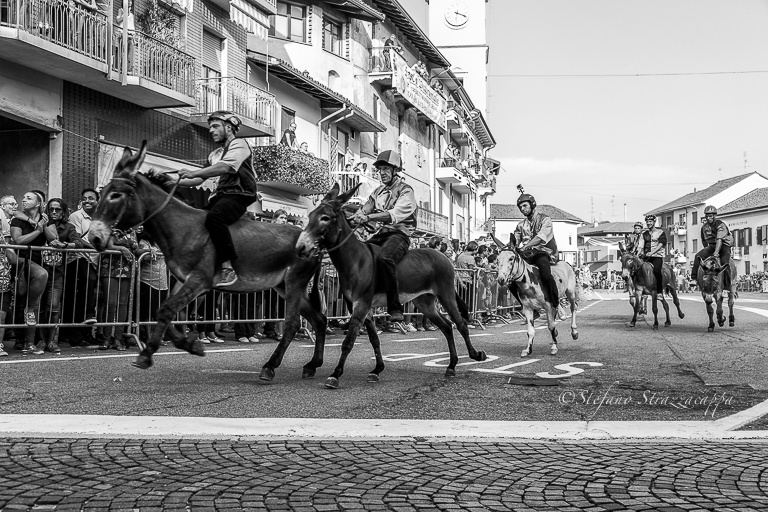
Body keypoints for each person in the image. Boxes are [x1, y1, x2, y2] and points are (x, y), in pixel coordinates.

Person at [170, 111, 258, 287]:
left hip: (238, 196)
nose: (211, 130)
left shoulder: (240, 144)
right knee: (194, 220)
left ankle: (228, 267)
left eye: (215, 126)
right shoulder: (215, 154)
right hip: (220, 197)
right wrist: (171, 181)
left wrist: (193, 172)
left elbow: (224, 168)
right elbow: (199, 179)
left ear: (229, 127)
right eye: (210, 127)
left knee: (214, 217)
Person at [351, 150, 417, 324]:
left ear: (395, 170)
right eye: (380, 170)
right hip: (381, 234)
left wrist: (369, 217)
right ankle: (359, 307)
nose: (382, 173)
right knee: (359, 256)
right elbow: (364, 210)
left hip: (400, 234)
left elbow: (394, 215)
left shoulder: (406, 190)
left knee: (385, 258)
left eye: (386, 169)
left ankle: (395, 308)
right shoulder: (377, 192)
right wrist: (353, 217)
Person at [40, 198, 82, 354]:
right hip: (38, 271)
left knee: (53, 307)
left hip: (57, 273)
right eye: (51, 209)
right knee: (38, 308)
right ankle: (38, 340)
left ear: (64, 211)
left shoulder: (68, 227)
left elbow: (79, 243)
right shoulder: (41, 224)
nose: (54, 212)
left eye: (57, 209)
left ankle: (51, 340)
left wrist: (64, 245)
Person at [512, 188, 561, 314]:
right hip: (528, 254)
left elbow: (541, 237)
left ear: (532, 205)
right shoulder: (520, 225)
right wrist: (510, 247)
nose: (522, 209)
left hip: (544, 252)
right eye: (520, 207)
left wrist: (525, 246)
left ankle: (556, 305)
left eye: (524, 206)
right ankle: (529, 308)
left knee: (546, 275)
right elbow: (515, 240)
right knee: (511, 280)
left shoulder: (545, 220)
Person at [691, 205, 733, 282]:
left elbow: (719, 240)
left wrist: (716, 253)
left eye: (710, 216)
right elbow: (704, 240)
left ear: (714, 216)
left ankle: (726, 288)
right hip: (712, 246)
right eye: (706, 216)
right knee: (697, 256)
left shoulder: (720, 225)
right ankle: (694, 279)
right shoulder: (704, 227)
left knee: (725, 264)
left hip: (724, 246)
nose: (708, 218)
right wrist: (706, 251)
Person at [640, 214, 667, 295]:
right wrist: (638, 253)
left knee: (657, 271)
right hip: (646, 256)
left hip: (657, 256)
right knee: (637, 269)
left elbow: (661, 244)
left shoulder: (660, 232)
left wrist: (653, 252)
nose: (648, 223)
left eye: (650, 221)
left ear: (654, 222)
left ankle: (659, 291)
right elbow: (641, 246)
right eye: (647, 222)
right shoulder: (644, 234)